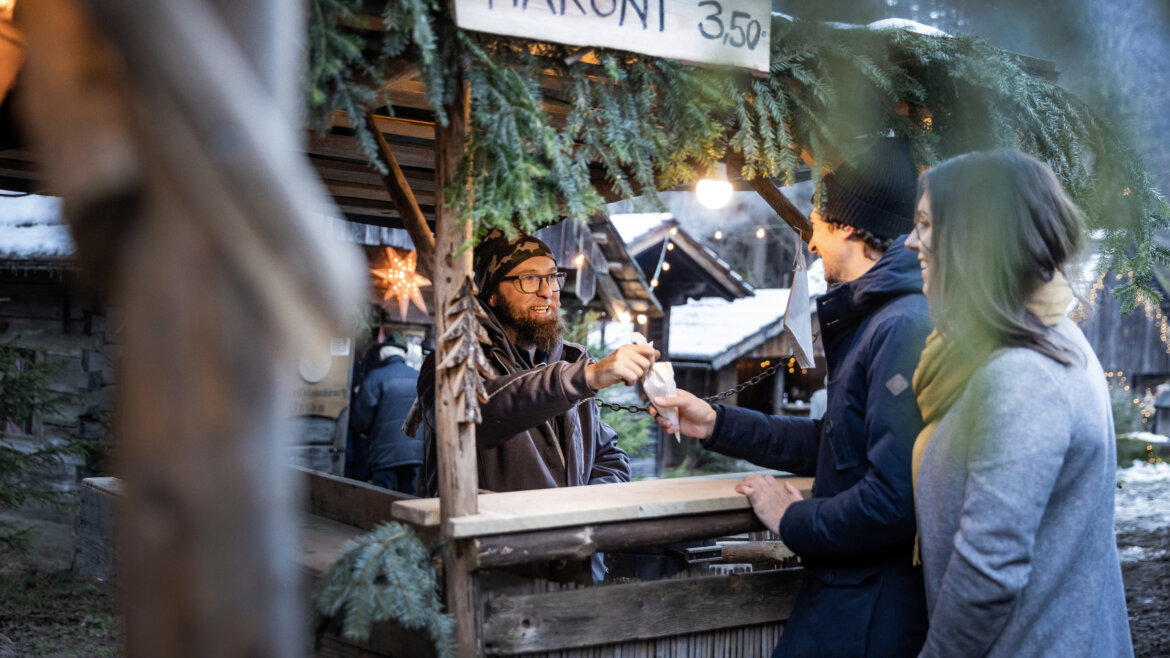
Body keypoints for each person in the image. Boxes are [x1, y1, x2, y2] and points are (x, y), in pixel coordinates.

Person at [653, 138, 931, 657]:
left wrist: (791, 519)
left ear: (848, 225)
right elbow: (833, 445)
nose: (810, 243)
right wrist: (713, 421)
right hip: (848, 602)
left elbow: (895, 504)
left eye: (817, 223)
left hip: (869, 618)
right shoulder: (877, 320)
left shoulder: (901, 327)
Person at [905, 149, 1133, 657]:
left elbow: (988, 571)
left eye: (925, 224)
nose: (911, 242)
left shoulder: (1022, 375)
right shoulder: (1041, 339)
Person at [417, 229, 657, 496]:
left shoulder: (571, 359)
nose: (547, 292)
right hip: (492, 535)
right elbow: (477, 418)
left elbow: (607, 456)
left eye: (552, 277)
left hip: (566, 534)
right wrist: (583, 378)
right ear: (492, 293)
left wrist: (583, 507)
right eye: (529, 279)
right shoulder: (453, 361)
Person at [349, 332, 423, 495]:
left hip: (383, 452)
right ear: (404, 354)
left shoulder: (375, 377)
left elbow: (361, 418)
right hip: (414, 451)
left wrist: (365, 434)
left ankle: (383, 521)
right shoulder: (418, 378)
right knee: (408, 496)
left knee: (381, 497)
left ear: (382, 355)